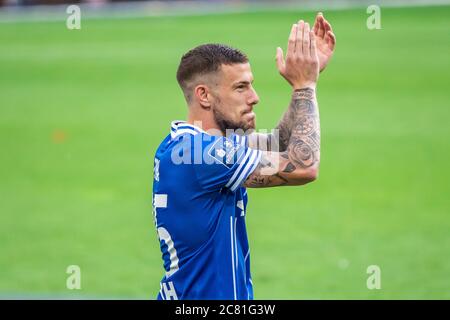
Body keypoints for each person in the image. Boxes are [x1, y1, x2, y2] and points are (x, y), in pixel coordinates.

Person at [152, 13, 336, 300]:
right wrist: (304, 87)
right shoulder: (198, 155)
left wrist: (305, 80)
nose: (254, 97)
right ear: (204, 96)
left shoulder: (192, 146)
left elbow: (282, 145)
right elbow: (304, 165)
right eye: (241, 87)